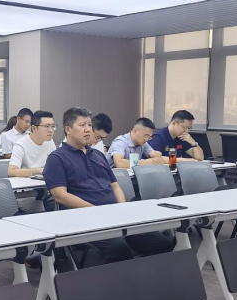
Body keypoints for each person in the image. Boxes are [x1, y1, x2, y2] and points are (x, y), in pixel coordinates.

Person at [44, 108, 173, 266]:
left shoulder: (98, 155)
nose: (88, 129)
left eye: (89, 125)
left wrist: (122, 208)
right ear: (68, 129)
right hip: (85, 219)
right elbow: (60, 195)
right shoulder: (57, 158)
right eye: (82, 125)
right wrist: (97, 211)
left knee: (162, 243)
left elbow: (115, 186)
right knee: (120, 249)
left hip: (114, 216)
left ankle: (144, 277)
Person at [8, 111, 56, 178]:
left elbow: (55, 164)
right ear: (34, 128)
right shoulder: (20, 145)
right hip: (26, 182)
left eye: (53, 126)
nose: (51, 130)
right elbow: (11, 171)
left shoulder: (50, 142)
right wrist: (36, 171)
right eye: (47, 126)